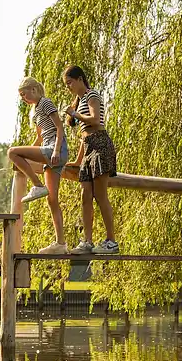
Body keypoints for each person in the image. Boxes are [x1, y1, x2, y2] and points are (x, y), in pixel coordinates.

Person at [7, 77, 70, 254]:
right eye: (20, 96)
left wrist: (56, 151)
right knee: (52, 200)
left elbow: (59, 127)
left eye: (24, 94)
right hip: (49, 151)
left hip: (55, 150)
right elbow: (39, 139)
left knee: (12, 152)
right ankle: (60, 243)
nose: (23, 98)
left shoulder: (45, 103)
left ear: (34, 89)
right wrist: (24, 158)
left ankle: (37, 185)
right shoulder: (34, 111)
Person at [61, 65, 119, 254]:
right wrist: (78, 161)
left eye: (69, 82)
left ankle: (111, 241)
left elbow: (94, 120)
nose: (68, 86)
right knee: (85, 195)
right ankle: (87, 241)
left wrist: (74, 114)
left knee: (100, 195)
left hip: (101, 145)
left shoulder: (91, 95)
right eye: (66, 84)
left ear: (79, 79)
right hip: (88, 148)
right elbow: (83, 135)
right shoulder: (79, 100)